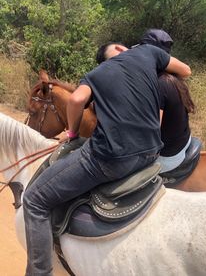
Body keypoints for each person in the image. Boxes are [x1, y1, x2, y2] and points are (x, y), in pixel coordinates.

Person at [23, 41, 191, 275]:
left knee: (34, 200)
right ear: (123, 49)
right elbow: (185, 70)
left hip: (110, 159)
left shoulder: (96, 74)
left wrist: (71, 133)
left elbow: (75, 100)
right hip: (151, 154)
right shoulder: (148, 53)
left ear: (104, 60)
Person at [140, 29, 195, 172]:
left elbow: (151, 134)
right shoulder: (172, 77)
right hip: (183, 140)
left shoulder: (156, 85)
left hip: (168, 156)